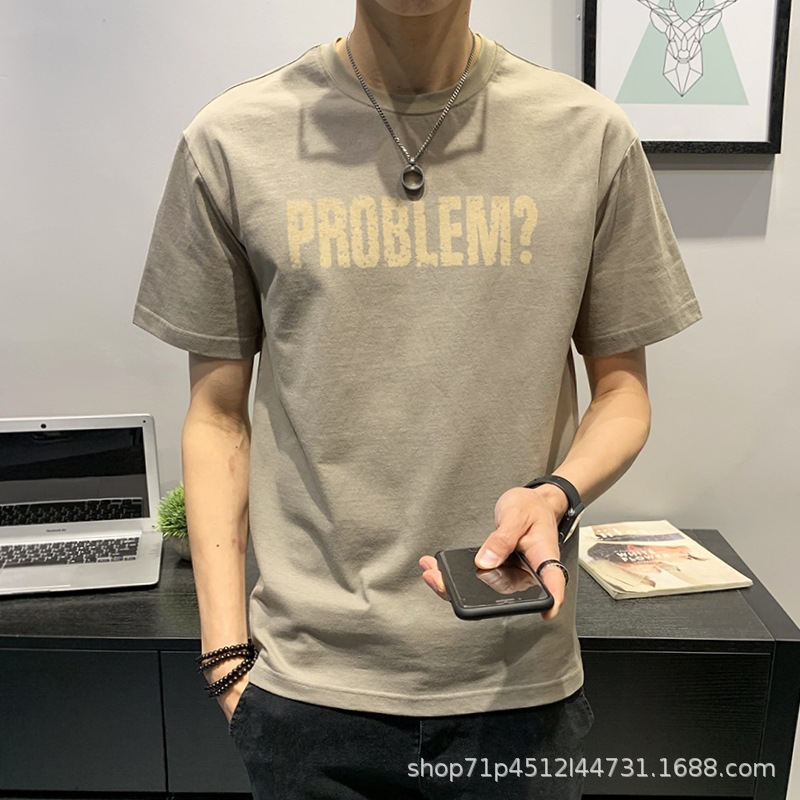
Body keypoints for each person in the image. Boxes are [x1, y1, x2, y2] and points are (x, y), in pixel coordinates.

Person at [133, 1, 702, 797]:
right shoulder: (231, 141)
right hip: (307, 691)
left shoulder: (589, 135)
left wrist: (556, 494)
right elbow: (217, 419)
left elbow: (623, 393)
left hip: (516, 681)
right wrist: (225, 657)